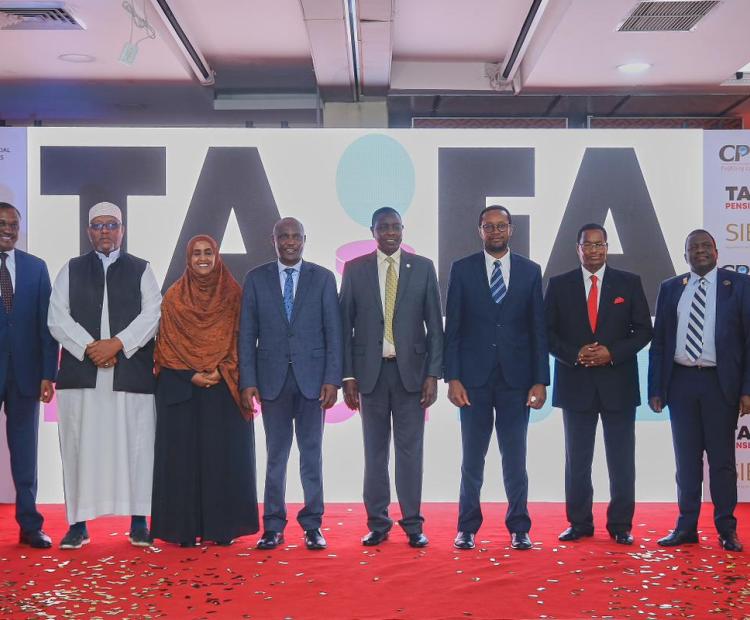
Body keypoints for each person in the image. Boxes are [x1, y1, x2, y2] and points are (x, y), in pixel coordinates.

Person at [48, 202, 161, 549]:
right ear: (88, 232)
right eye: (98, 226)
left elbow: (152, 314)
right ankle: (77, 525)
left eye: (112, 225)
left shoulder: (142, 269)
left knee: (138, 448)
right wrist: (90, 347)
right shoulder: (71, 269)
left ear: (122, 229)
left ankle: (140, 521)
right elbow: (57, 317)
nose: (105, 231)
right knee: (80, 446)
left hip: (131, 374)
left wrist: (117, 344)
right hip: (82, 374)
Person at [444, 205, 549, 551]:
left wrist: (540, 380)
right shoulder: (462, 270)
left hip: (516, 381)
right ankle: (467, 527)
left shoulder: (531, 272)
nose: (495, 231)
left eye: (501, 225)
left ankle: (519, 527)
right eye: (489, 226)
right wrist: (452, 377)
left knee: (515, 459)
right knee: (472, 459)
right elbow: (453, 329)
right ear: (480, 231)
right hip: (472, 381)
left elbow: (538, 330)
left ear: (511, 229)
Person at [339, 207, 443, 548]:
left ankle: (413, 524)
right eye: (383, 227)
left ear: (403, 229)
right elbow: (344, 327)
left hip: (411, 376)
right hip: (370, 376)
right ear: (372, 231)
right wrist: (348, 376)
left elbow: (435, 329)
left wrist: (433, 374)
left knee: (410, 452)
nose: (390, 232)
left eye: (395, 226)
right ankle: (378, 523)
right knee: (375, 453)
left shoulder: (424, 268)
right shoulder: (354, 270)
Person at [544, 223, 652, 546]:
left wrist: (612, 353)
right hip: (575, 384)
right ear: (577, 248)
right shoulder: (559, 284)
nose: (593, 250)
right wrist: (575, 355)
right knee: (577, 461)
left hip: (618, 384)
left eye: (599, 244)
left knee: (621, 460)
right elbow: (546, 333)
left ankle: (621, 524)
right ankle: (579, 523)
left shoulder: (628, 283)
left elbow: (644, 330)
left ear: (607, 247)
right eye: (587, 245)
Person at [239, 217, 342, 551]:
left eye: (295, 236)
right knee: (276, 456)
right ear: (273, 240)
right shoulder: (255, 280)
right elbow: (246, 336)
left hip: (313, 382)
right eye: (283, 236)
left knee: (312, 456)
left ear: (304, 239)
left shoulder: (324, 279)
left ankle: (313, 525)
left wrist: (332, 379)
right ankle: (273, 526)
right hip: (272, 382)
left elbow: (334, 335)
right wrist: (248, 381)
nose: (289, 241)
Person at [151, 235, 259, 547]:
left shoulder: (233, 295)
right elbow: (165, 348)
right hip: (183, 394)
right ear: (188, 258)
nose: (202, 258)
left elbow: (244, 339)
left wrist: (222, 368)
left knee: (222, 461)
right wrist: (191, 375)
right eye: (196, 253)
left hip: (224, 391)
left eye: (208, 252)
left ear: (216, 256)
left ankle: (222, 529)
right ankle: (184, 530)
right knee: (184, 463)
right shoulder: (173, 297)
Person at [648, 229, 750, 552]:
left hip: (720, 384)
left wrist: (746, 389)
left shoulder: (740, 287)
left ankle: (726, 528)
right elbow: (660, 342)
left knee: (721, 462)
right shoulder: (670, 289)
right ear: (686, 255)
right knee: (686, 461)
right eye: (694, 247)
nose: (701, 251)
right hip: (681, 383)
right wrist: (656, 388)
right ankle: (686, 526)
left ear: (717, 252)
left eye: (706, 246)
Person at [0, 202, 58, 549]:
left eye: (12, 224)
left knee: (25, 452)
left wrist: (48, 374)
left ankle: (30, 525)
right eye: (1, 223)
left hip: (25, 375)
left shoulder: (36, 268)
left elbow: (45, 326)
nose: (7, 229)